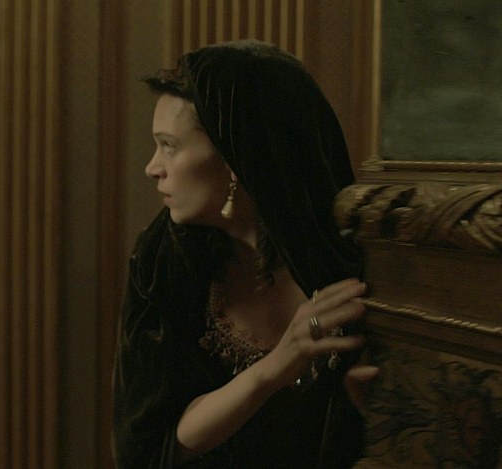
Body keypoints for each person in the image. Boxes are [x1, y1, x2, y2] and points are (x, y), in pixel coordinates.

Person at [112, 40, 379, 468]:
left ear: (236, 156)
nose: (152, 167)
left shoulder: (353, 253)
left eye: (169, 146)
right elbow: (146, 446)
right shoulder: (163, 259)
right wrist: (276, 366)